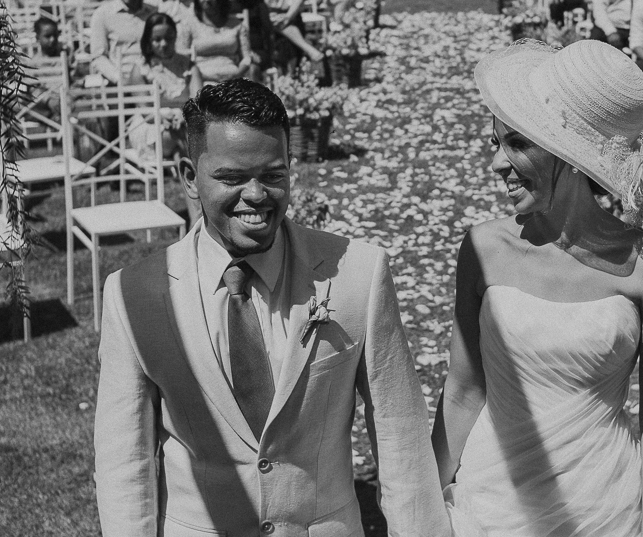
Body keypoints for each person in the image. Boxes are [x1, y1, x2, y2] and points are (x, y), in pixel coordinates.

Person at [94, 79, 450, 537]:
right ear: (188, 177)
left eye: (273, 175)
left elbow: (401, 438)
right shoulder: (132, 296)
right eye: (232, 178)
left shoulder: (359, 274)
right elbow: (126, 464)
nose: (257, 194)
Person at [434, 39, 643, 537]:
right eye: (496, 143)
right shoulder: (483, 248)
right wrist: (417, 505)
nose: (497, 164)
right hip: (491, 505)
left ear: (571, 157)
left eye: (518, 144)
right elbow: (463, 391)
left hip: (603, 509)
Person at [126, 12, 203, 158]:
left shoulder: (189, 66)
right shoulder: (141, 68)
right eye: (157, 40)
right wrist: (163, 119)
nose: (164, 44)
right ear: (148, 41)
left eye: (168, 38)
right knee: (173, 134)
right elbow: (145, 111)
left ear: (175, 36)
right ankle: (181, 157)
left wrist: (184, 116)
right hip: (152, 123)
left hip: (185, 120)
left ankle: (178, 157)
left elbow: (197, 102)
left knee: (195, 130)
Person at [88, 0, 158, 84]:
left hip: (154, 75)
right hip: (121, 79)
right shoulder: (102, 14)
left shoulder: (154, 13)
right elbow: (98, 56)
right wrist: (119, 78)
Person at [179, 0, 252, 84]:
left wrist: (236, 75)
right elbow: (182, 57)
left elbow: (247, 58)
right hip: (201, 80)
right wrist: (198, 76)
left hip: (232, 79)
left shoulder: (236, 25)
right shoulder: (189, 24)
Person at [228, 0, 275, 80]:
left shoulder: (257, 1)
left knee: (252, 69)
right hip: (232, 51)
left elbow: (267, 29)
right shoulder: (225, 5)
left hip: (257, 51)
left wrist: (267, 55)